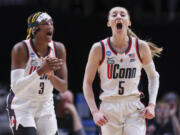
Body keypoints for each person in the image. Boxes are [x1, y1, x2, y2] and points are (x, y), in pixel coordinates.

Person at [83, 6, 162, 135]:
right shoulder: (99, 48)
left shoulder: (140, 46)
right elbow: (87, 83)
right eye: (114, 15)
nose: (118, 16)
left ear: (129, 22)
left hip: (133, 107)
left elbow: (153, 76)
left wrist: (152, 105)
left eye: (122, 14)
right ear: (109, 23)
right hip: (109, 107)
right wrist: (95, 112)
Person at [6, 11, 68, 135]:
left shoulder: (59, 49)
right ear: (34, 29)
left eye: (51, 23)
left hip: (45, 106)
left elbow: (63, 87)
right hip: (22, 105)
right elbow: (16, 87)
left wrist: (50, 75)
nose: (50, 26)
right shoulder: (21, 49)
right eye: (45, 23)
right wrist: (40, 71)